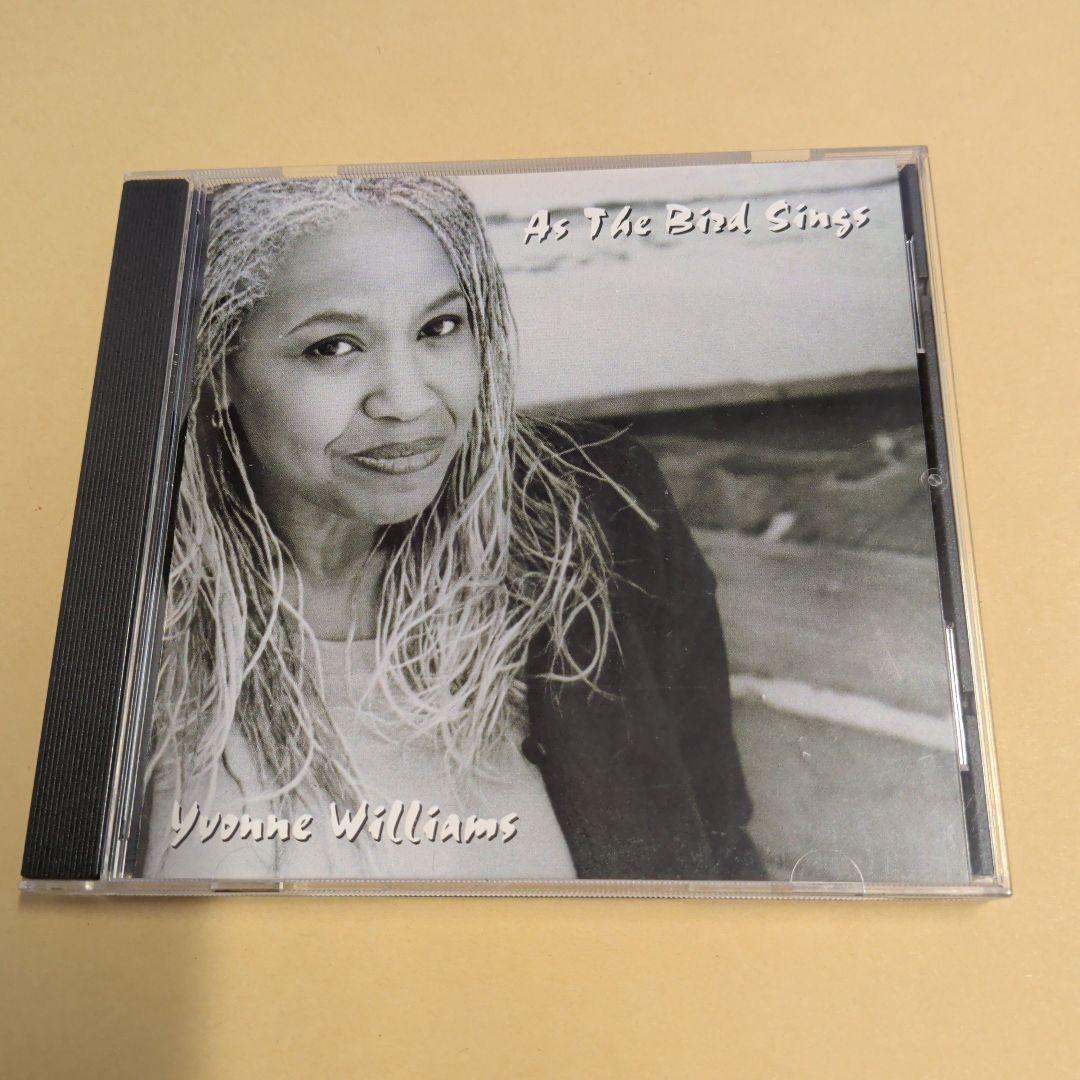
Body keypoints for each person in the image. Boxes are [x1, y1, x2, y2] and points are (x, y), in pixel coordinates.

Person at [142, 175, 763, 882]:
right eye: (333, 347)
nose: (406, 401)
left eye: (439, 329)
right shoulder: (126, 603)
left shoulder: (596, 520)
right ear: (216, 365)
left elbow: (719, 854)